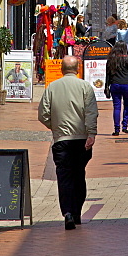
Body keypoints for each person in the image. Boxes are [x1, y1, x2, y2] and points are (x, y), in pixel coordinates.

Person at [38, 55, 98, 230]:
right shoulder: (85, 86)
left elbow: (43, 114)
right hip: (81, 139)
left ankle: (68, 212)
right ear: (78, 68)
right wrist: (91, 133)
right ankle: (77, 211)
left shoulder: (52, 88)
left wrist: (55, 127)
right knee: (79, 174)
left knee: (64, 177)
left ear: (62, 69)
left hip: (61, 140)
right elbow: (91, 112)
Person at [104, 43, 128, 135]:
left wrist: (106, 87)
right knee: (127, 105)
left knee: (117, 107)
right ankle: (125, 126)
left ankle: (116, 129)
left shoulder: (111, 60)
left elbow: (108, 75)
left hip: (115, 84)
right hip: (127, 84)